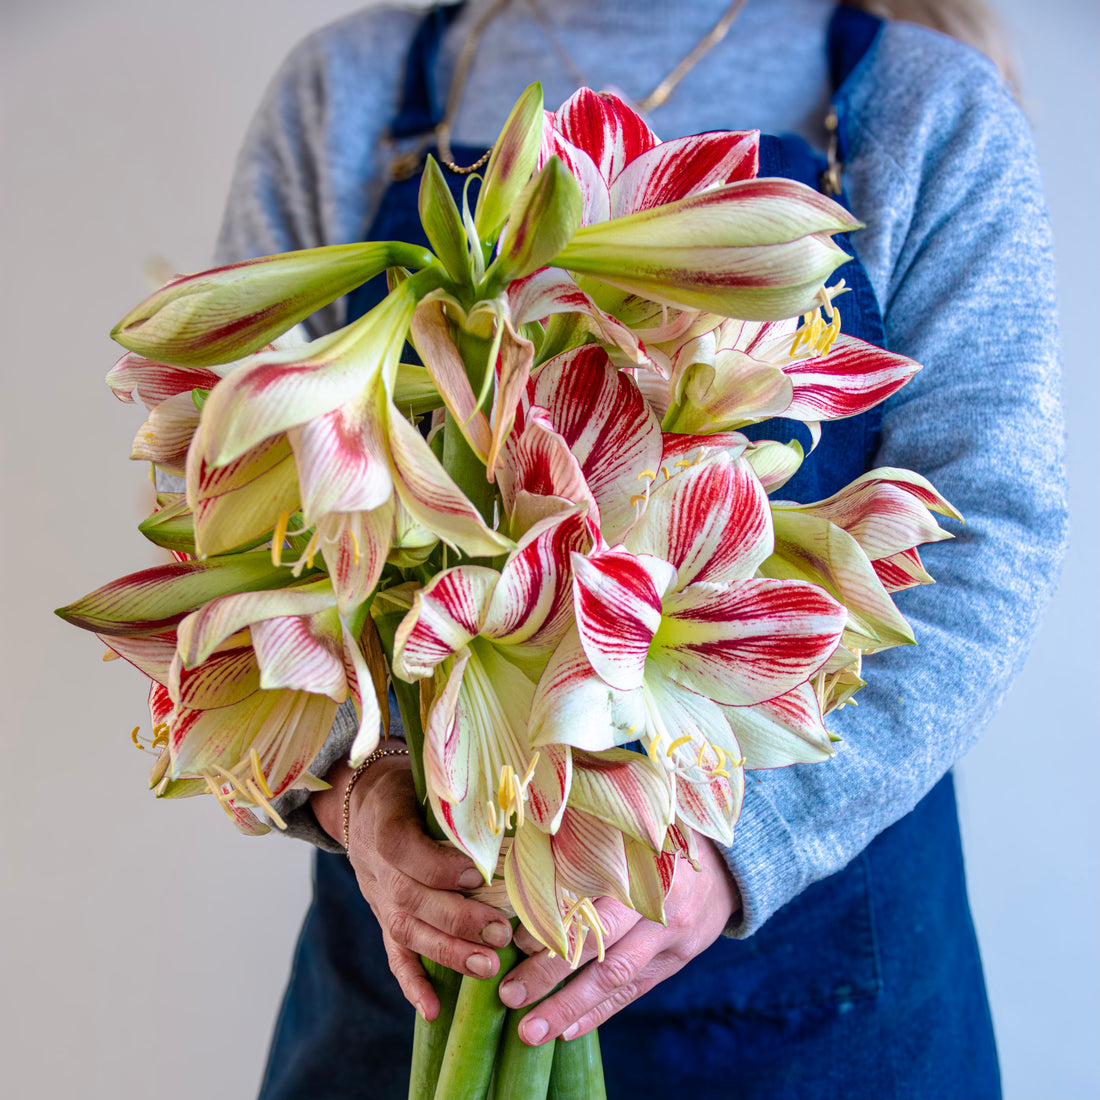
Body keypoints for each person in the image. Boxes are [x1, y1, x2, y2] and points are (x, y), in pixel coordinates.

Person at [210, 2, 1066, 1096]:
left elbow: (986, 530)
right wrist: (353, 785)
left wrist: (736, 844)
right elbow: (228, 487)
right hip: (412, 951)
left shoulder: (922, 103)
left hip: (816, 996)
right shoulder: (349, 91)